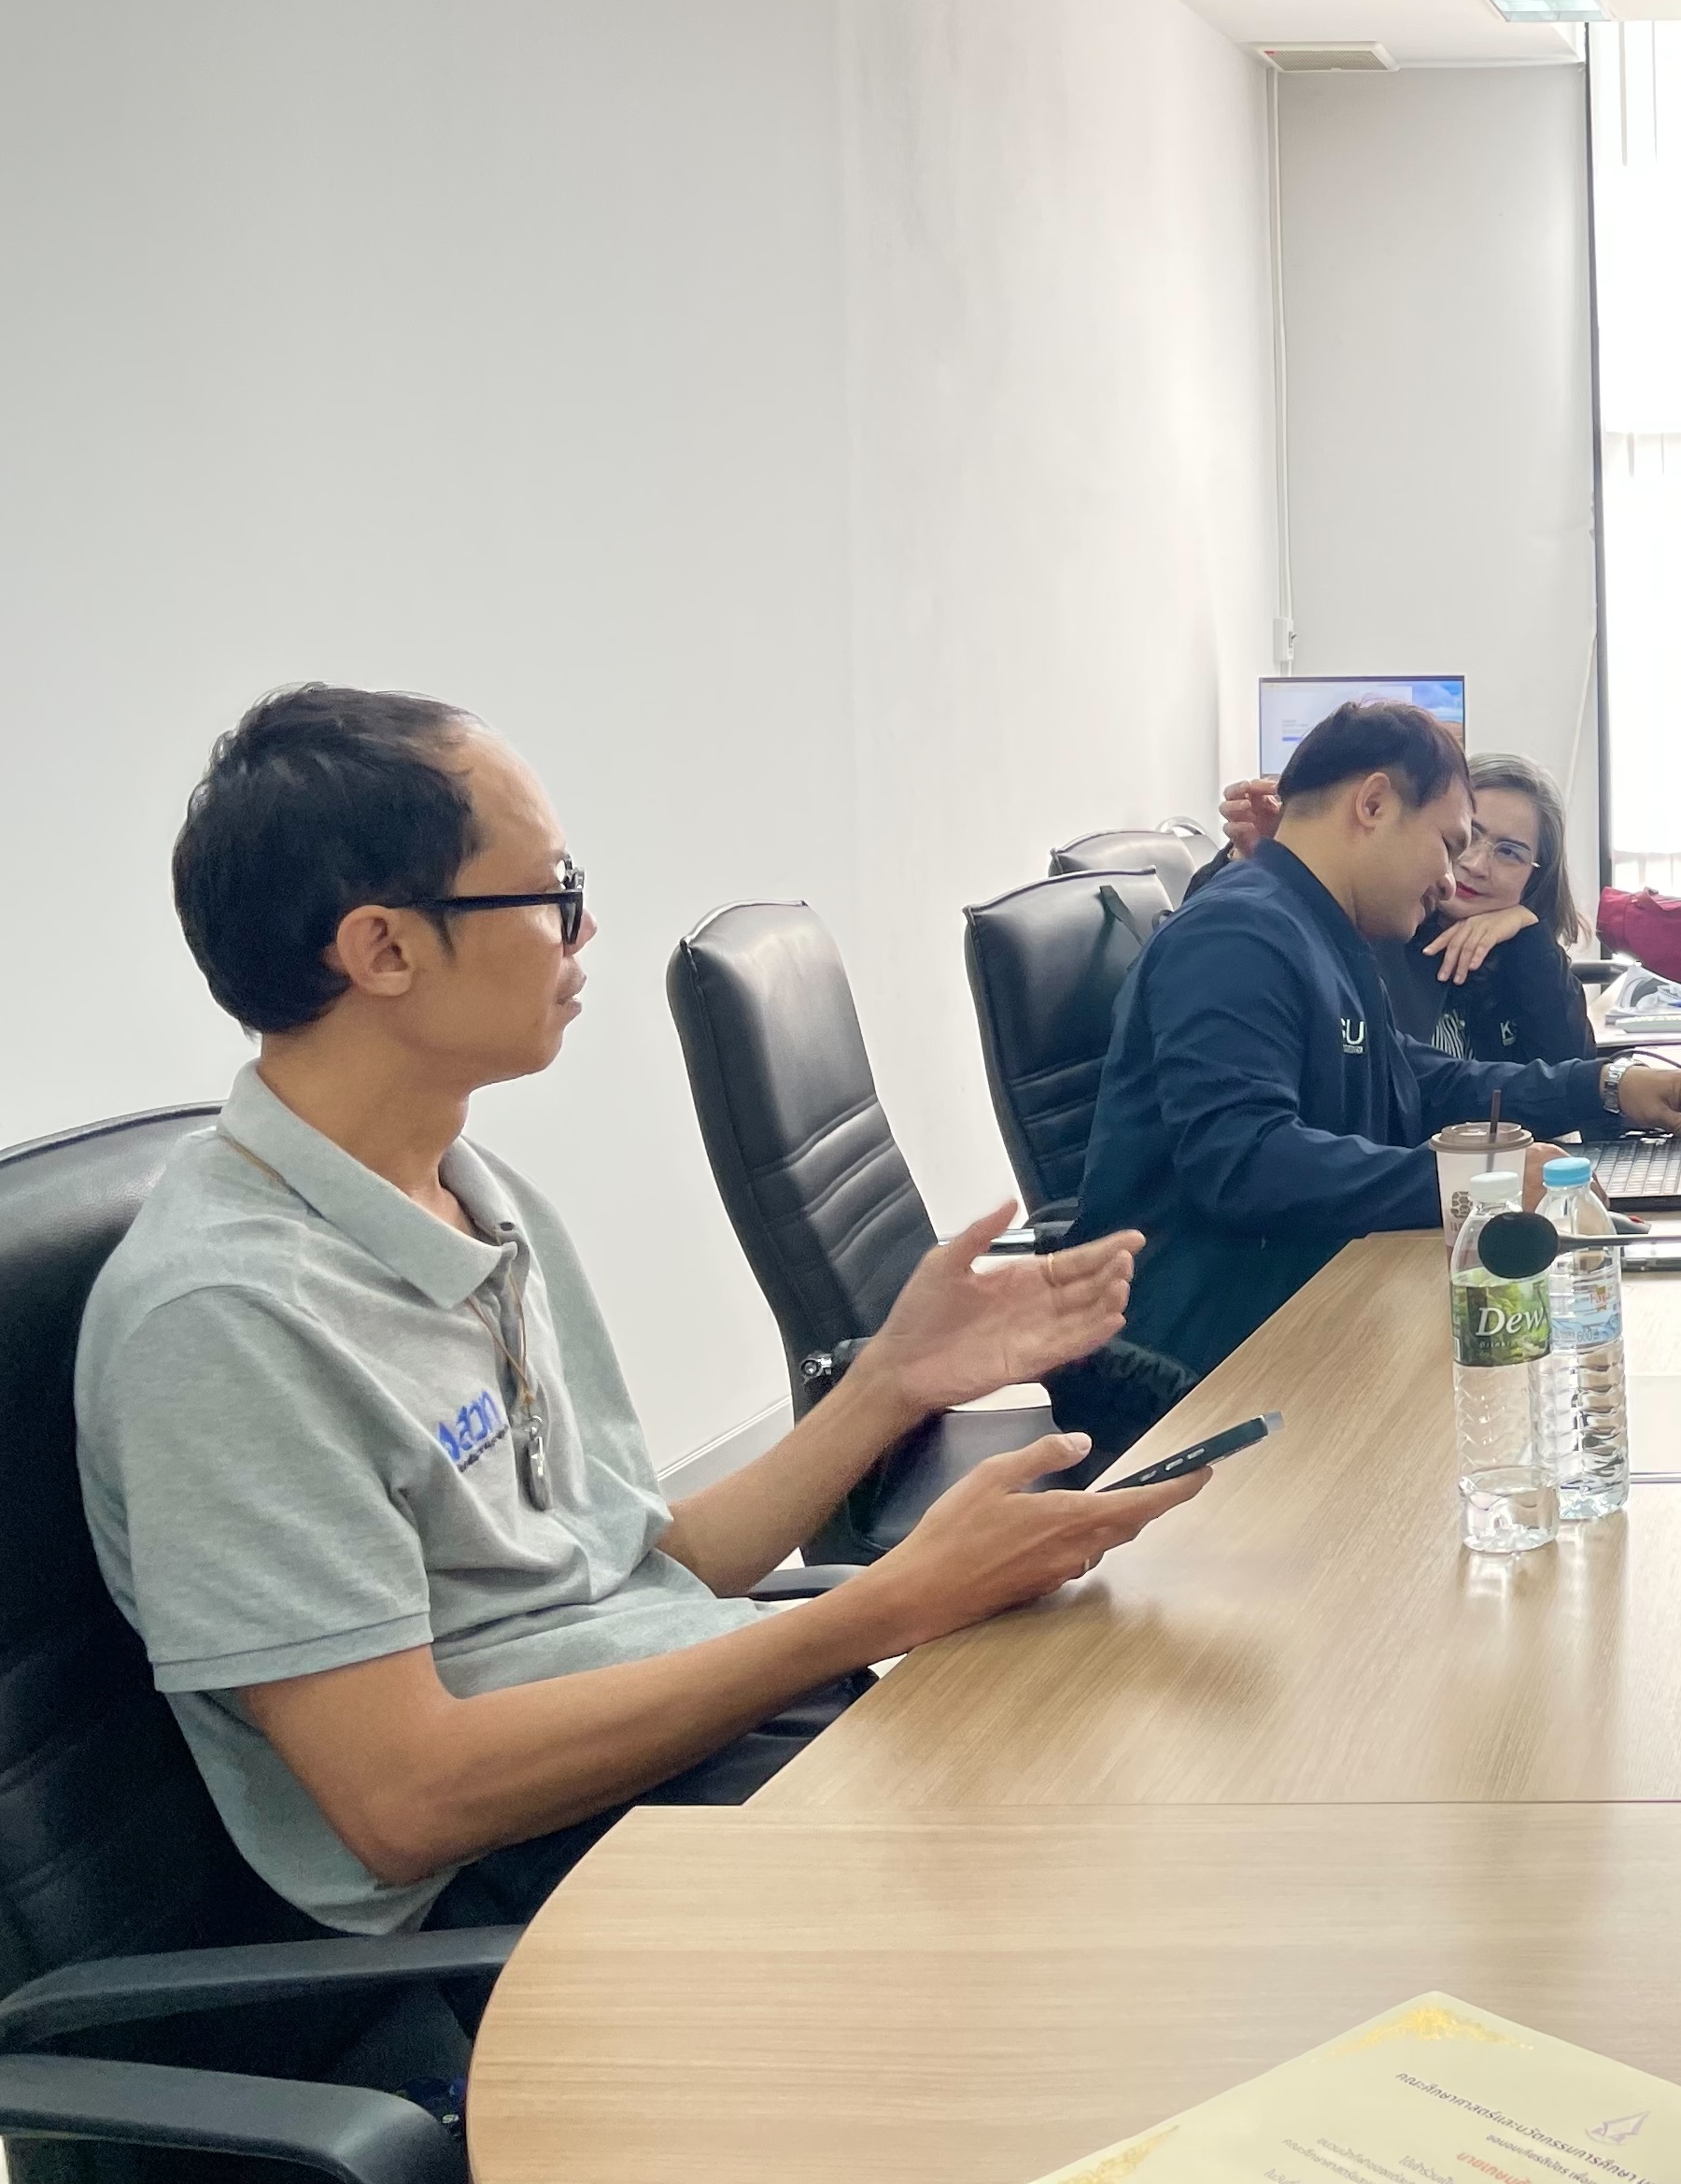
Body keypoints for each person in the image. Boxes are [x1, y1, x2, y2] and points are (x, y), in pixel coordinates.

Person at [73, 687, 1213, 1937]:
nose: (587, 928)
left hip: (679, 1747)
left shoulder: (477, 1200)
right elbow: (407, 1802)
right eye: (552, 892)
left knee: (1132, 1774)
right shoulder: (229, 1318)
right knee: (1089, 1904)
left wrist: (894, 1379)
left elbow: (639, 1567)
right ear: (383, 950)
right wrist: (879, 1609)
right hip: (527, 1888)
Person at [1075, 702, 1681, 1376]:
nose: (1449, 877)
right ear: (1374, 805)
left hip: (1307, 1296)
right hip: (1209, 1349)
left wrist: (1604, 1086)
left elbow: (1420, 1079)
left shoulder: (1319, 930)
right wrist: (1481, 1184)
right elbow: (1244, 1162)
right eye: (1448, 843)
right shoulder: (1237, 935)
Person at [1377, 751, 1593, 1065]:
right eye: (1467, 835)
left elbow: (1573, 1073)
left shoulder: (1524, 955)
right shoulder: (1375, 935)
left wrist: (1529, 935)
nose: (1476, 865)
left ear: (1535, 878)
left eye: (1509, 852)